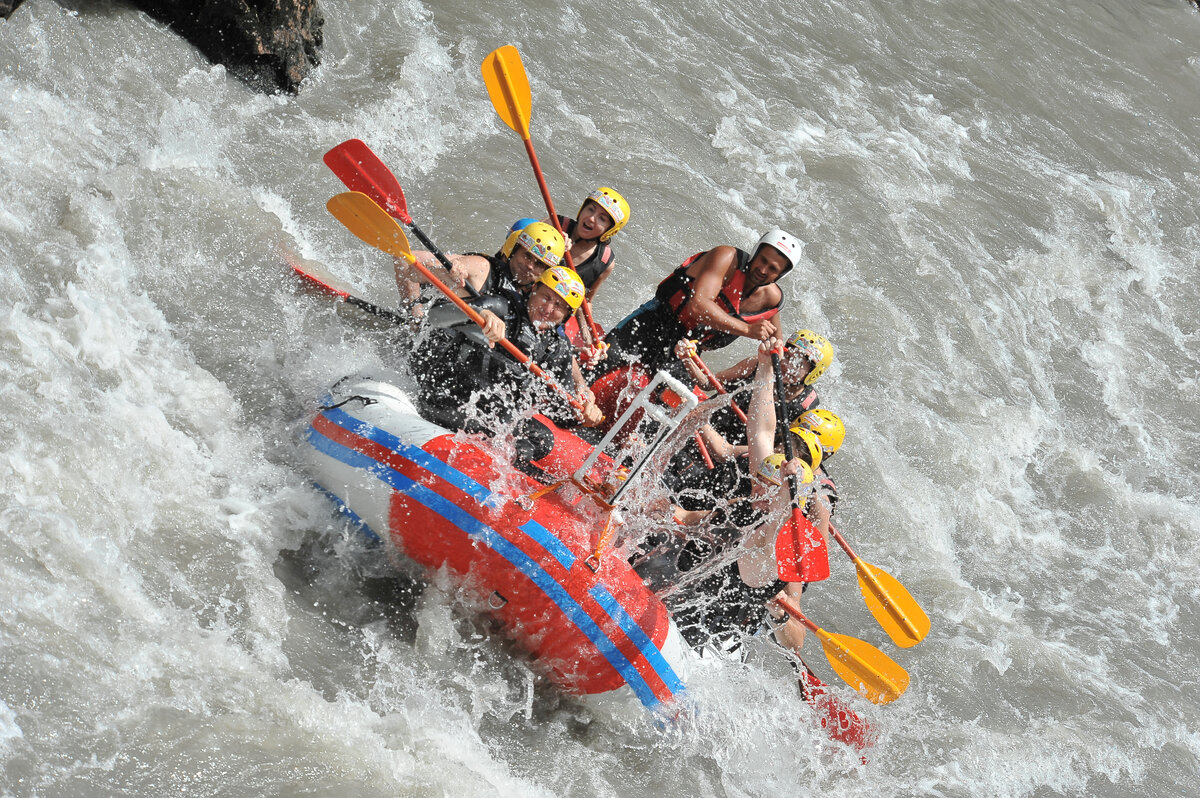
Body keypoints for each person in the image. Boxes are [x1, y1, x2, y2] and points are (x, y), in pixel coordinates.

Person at [408, 265, 603, 435]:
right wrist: (480, 313)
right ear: (533, 290)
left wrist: (580, 414)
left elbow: (558, 409)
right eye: (546, 297)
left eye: (559, 305)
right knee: (494, 426)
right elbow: (435, 316)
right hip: (448, 395)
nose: (548, 308)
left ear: (567, 316)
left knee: (541, 440)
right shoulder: (502, 306)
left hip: (493, 412)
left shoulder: (556, 348)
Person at [604, 228, 803, 374]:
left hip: (688, 349)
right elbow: (698, 305)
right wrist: (748, 330)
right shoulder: (726, 257)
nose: (763, 270)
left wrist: (776, 350)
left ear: (781, 275)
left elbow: (776, 339)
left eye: (773, 269)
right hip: (655, 321)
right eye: (763, 260)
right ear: (756, 252)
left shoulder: (771, 300)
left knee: (672, 405)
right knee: (605, 360)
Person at [395, 220, 565, 302]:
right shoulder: (482, 267)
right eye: (527, 256)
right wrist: (450, 270)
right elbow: (409, 263)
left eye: (538, 264)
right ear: (513, 251)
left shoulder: (538, 297)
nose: (529, 265)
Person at [554, 187, 630, 300]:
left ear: (609, 231)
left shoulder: (604, 262)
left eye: (602, 219)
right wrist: (552, 245)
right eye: (590, 209)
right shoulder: (555, 225)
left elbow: (586, 301)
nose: (591, 218)